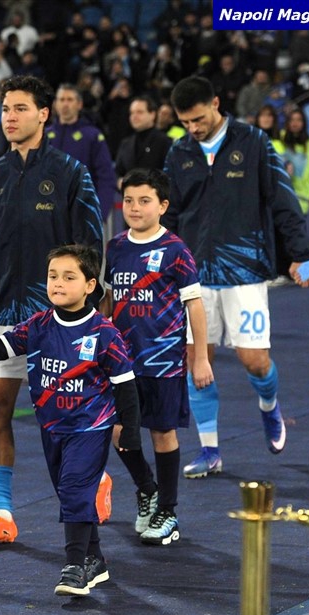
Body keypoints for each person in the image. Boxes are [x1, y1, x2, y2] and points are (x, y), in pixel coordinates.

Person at [0, 245, 142, 596]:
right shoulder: (38, 325)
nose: (58, 283)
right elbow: (1, 348)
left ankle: (74, 567)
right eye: (53, 276)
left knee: (76, 490)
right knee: (69, 494)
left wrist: (130, 431)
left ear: (90, 285)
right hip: (52, 429)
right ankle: (94, 560)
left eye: (69, 277)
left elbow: (126, 386)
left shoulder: (104, 333)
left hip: (89, 429)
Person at [0, 74, 104, 550]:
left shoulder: (70, 172)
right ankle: (1, 514)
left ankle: (96, 479)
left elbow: (90, 245)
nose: (10, 117)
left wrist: (84, 308)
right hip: (2, 310)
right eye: (5, 108)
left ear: (43, 115)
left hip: (57, 315)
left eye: (20, 108)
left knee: (68, 414)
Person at [163, 76, 309, 479]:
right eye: (186, 122)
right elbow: (170, 214)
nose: (193, 129)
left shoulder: (253, 142)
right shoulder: (179, 152)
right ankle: (210, 450)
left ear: (216, 103)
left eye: (198, 119)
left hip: (245, 272)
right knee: (197, 361)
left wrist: (300, 254)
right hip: (194, 275)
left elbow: (282, 199)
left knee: (255, 362)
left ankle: (269, 407)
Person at [103, 168, 214, 545]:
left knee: (162, 432)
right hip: (122, 362)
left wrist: (201, 358)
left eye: (144, 200)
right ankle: (147, 488)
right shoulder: (115, 247)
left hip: (164, 361)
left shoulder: (176, 251)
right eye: (128, 200)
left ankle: (168, 510)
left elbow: (195, 306)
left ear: (163, 205)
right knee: (118, 430)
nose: (134, 208)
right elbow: (109, 299)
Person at [47, 84, 117, 222]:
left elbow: (106, 177)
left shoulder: (92, 136)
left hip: (82, 214)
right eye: (61, 99)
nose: (65, 104)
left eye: (69, 99)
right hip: (48, 215)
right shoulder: (43, 136)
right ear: (55, 104)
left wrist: (99, 213)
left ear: (79, 104)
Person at [114, 95, 173, 188]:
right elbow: (117, 172)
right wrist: (119, 181)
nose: (134, 116)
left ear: (152, 114)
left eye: (139, 112)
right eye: (132, 113)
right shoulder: (126, 143)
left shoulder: (164, 141)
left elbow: (170, 174)